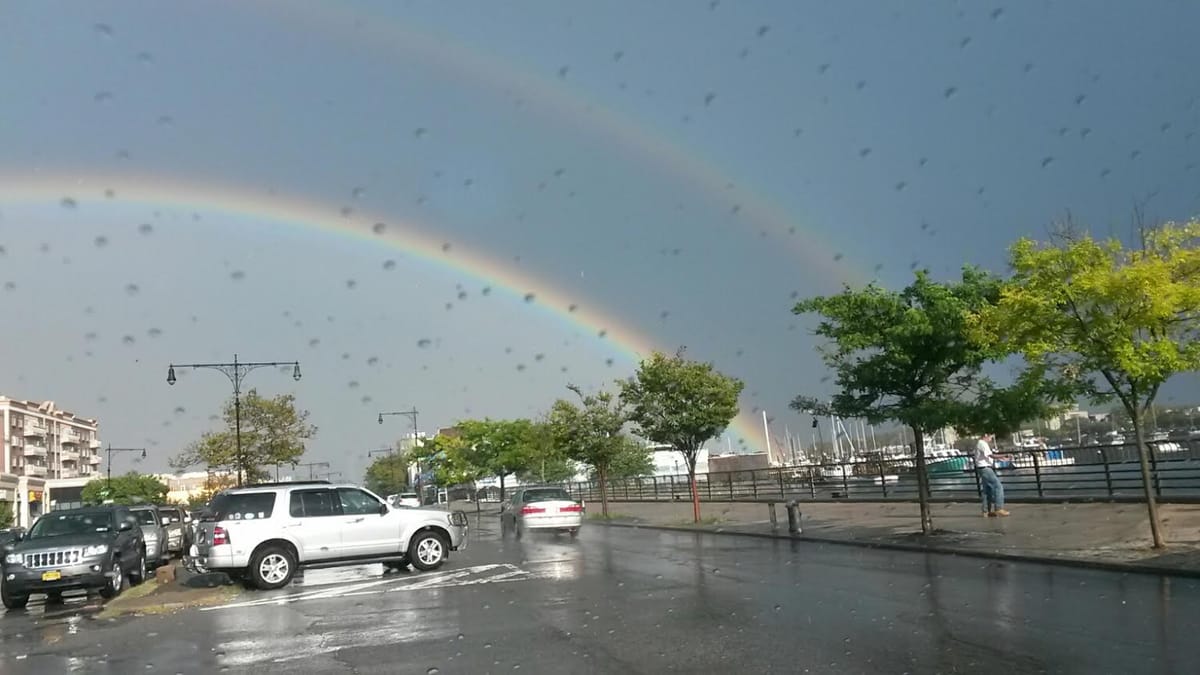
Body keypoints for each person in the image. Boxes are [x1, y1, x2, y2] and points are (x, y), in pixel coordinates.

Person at [974, 434, 1009, 517]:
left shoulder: (980, 443)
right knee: (998, 486)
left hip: (982, 468)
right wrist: (1004, 455)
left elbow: (987, 457)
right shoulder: (982, 443)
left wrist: (1001, 458)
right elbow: (991, 455)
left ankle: (986, 511)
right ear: (986, 435)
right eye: (991, 436)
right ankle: (999, 508)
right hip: (985, 469)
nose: (991, 438)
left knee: (987, 490)